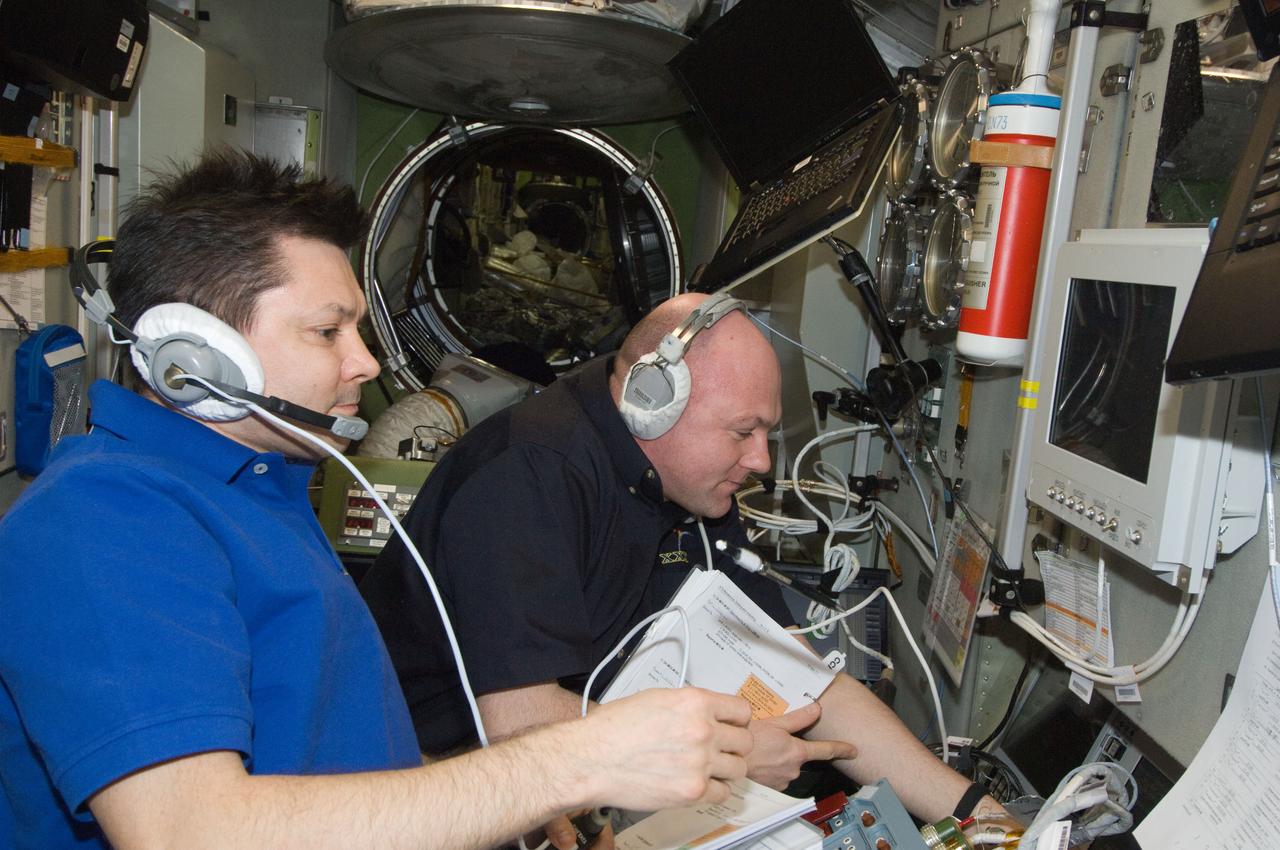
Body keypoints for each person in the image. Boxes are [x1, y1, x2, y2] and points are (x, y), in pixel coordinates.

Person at [0, 150, 759, 850]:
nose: (364, 362)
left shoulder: (257, 489)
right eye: (327, 331)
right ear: (195, 354)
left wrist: (510, 807)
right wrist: (573, 762)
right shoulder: (102, 519)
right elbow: (188, 831)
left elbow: (330, 769)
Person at [360, 291, 1005, 830]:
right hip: (433, 798)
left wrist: (981, 816)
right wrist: (732, 755)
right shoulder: (529, 475)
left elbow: (808, 681)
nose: (761, 461)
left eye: (767, 433)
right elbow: (519, 722)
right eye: (742, 431)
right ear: (652, 401)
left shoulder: (696, 492)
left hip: (582, 784)